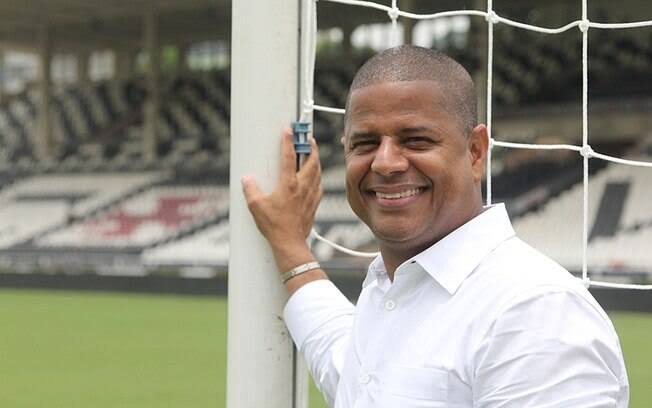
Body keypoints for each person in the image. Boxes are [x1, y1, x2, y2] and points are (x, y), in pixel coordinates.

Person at [241, 45, 629, 407]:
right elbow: (351, 375)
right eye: (365, 143)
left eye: (415, 140)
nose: (385, 163)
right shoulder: (391, 287)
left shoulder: (535, 310)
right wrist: (289, 244)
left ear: (475, 152)